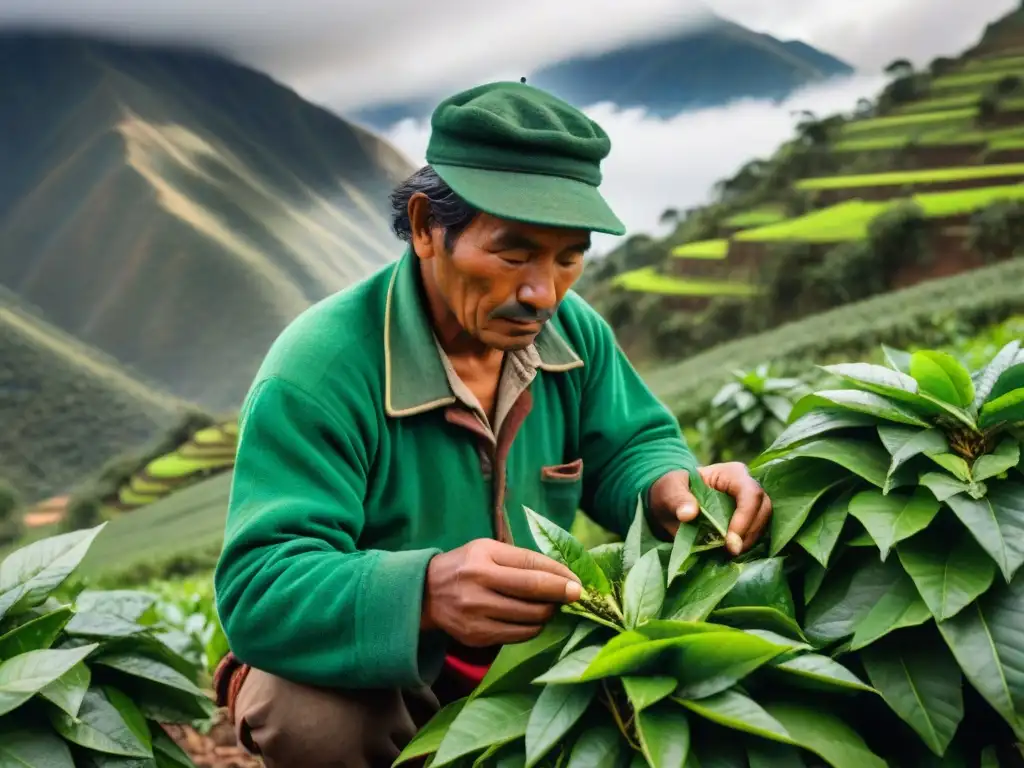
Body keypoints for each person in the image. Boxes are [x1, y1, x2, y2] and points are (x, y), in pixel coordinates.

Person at [212, 79, 772, 768]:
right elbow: (261, 586)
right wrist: (425, 590)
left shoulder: (573, 334)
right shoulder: (321, 370)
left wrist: (668, 488)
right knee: (313, 723)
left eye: (569, 256)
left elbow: (632, 443)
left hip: (529, 649)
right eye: (513, 254)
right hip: (389, 671)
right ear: (424, 228)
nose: (543, 291)